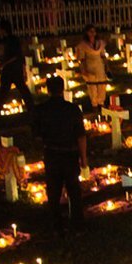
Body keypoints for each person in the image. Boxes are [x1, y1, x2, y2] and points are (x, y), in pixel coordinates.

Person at [32, 75, 88, 232]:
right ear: (62, 89)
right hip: (70, 155)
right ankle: (77, 224)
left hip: (52, 155)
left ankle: (56, 225)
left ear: (47, 90)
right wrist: (83, 159)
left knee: (54, 191)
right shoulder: (72, 109)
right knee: (74, 191)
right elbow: (81, 136)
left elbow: (36, 136)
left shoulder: (40, 110)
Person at [0, 19, 33, 113]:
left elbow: (16, 55)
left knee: (22, 90)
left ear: (3, 29)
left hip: (14, 69)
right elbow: (6, 55)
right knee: (5, 91)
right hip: (9, 70)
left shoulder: (13, 40)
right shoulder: (4, 40)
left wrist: (3, 64)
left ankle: (31, 108)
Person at [76, 24, 110, 109]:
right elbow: (81, 59)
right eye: (90, 31)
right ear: (87, 33)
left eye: (94, 31)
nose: (92, 33)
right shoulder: (83, 45)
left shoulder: (100, 43)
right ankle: (94, 104)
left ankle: (101, 102)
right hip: (89, 67)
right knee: (92, 87)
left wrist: (107, 66)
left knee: (102, 86)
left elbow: (103, 55)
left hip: (99, 67)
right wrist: (83, 70)